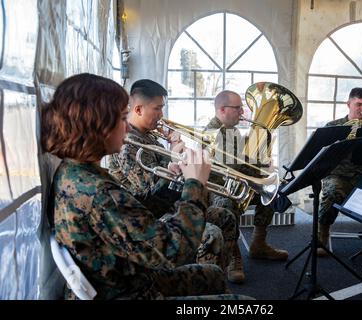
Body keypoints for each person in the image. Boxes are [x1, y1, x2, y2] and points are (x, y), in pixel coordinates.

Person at [41, 73, 246, 300]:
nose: (127, 128)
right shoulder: (98, 192)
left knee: (214, 276)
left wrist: (171, 180)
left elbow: (140, 210)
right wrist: (195, 184)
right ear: (97, 124)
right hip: (132, 291)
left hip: (130, 277)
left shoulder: (78, 172)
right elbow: (175, 250)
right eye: (121, 118)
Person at [108, 79, 237, 271]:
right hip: (150, 215)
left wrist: (176, 157)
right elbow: (148, 193)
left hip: (170, 206)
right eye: (157, 109)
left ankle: (222, 272)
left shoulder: (149, 135)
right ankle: (200, 283)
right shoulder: (129, 145)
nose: (161, 115)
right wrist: (177, 161)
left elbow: (166, 170)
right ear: (138, 110)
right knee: (211, 234)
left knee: (225, 217)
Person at [205, 90, 289, 284]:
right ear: (222, 109)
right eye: (238, 108)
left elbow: (245, 154)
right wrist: (260, 166)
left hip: (236, 182)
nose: (242, 112)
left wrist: (263, 139)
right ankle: (233, 254)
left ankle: (258, 243)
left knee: (270, 192)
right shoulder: (212, 132)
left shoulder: (231, 129)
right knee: (226, 204)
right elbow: (235, 164)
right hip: (216, 188)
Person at [318, 87, 362, 256]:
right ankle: (323, 232)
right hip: (339, 175)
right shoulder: (333, 126)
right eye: (359, 104)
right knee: (332, 191)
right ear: (349, 104)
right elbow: (322, 155)